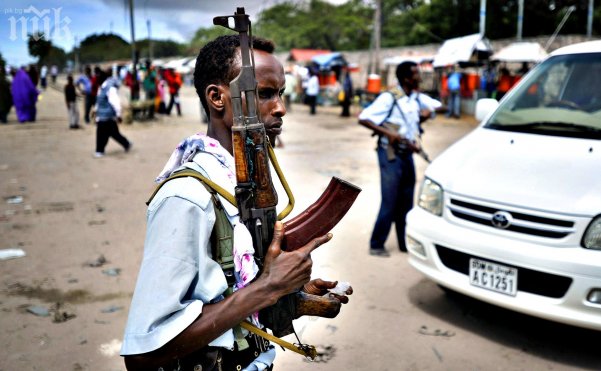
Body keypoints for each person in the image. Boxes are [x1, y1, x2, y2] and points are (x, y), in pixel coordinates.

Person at [120, 34, 351, 370]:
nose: (281, 108)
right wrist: (269, 287)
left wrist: (292, 295)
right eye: (265, 94)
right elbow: (143, 354)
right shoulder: (188, 197)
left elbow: (231, 289)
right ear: (217, 97)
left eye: (281, 94)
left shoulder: (245, 182)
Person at [358, 62, 442, 257]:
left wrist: (425, 117)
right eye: (416, 74)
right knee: (390, 200)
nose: (420, 77)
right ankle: (376, 244)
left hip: (407, 153)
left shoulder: (414, 99)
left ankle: (404, 243)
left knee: (406, 199)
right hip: (390, 153)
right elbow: (364, 118)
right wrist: (390, 134)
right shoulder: (389, 98)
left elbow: (420, 118)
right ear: (406, 78)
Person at [94, 68, 131, 157]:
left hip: (108, 116)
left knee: (102, 133)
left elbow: (115, 102)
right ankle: (126, 144)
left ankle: (99, 150)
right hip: (102, 116)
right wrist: (96, 112)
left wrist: (118, 115)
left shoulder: (110, 88)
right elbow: (99, 101)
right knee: (113, 133)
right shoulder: (101, 88)